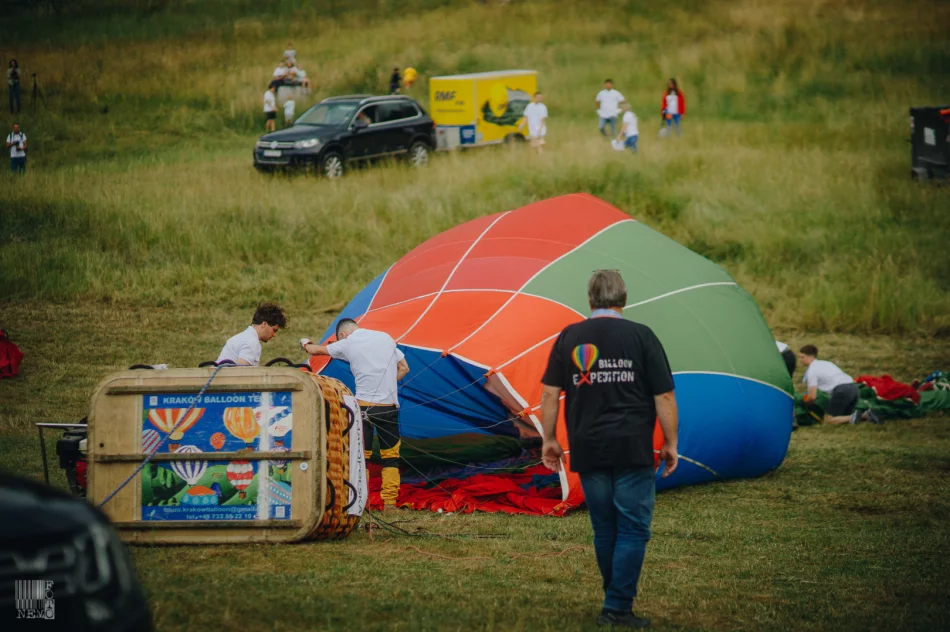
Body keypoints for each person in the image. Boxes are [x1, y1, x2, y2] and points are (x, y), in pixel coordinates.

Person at [539, 270, 678, 629]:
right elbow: (663, 395)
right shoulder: (641, 335)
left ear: (590, 300)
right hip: (632, 446)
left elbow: (550, 394)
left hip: (588, 445)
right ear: (624, 299)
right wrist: (671, 443)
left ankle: (614, 600)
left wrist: (549, 438)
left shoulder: (570, 336)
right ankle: (617, 608)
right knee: (632, 529)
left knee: (605, 529)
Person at [302, 319, 410, 510]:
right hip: (389, 406)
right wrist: (388, 385)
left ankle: (361, 501)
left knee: (362, 457)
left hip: (364, 408)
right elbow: (404, 368)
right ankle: (390, 502)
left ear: (342, 335)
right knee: (391, 456)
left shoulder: (348, 342)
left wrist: (304, 342)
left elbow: (315, 351)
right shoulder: (385, 338)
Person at [799, 345, 859, 424]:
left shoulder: (812, 371)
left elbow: (812, 397)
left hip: (842, 391)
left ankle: (855, 417)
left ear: (811, 357)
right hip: (854, 388)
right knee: (842, 417)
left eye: (802, 357)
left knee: (828, 420)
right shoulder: (826, 363)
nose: (800, 360)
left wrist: (805, 404)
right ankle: (865, 416)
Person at [216, 303, 286, 367]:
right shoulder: (251, 342)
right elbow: (241, 374)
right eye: (274, 330)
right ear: (264, 324)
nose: (274, 334)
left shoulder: (240, 337)